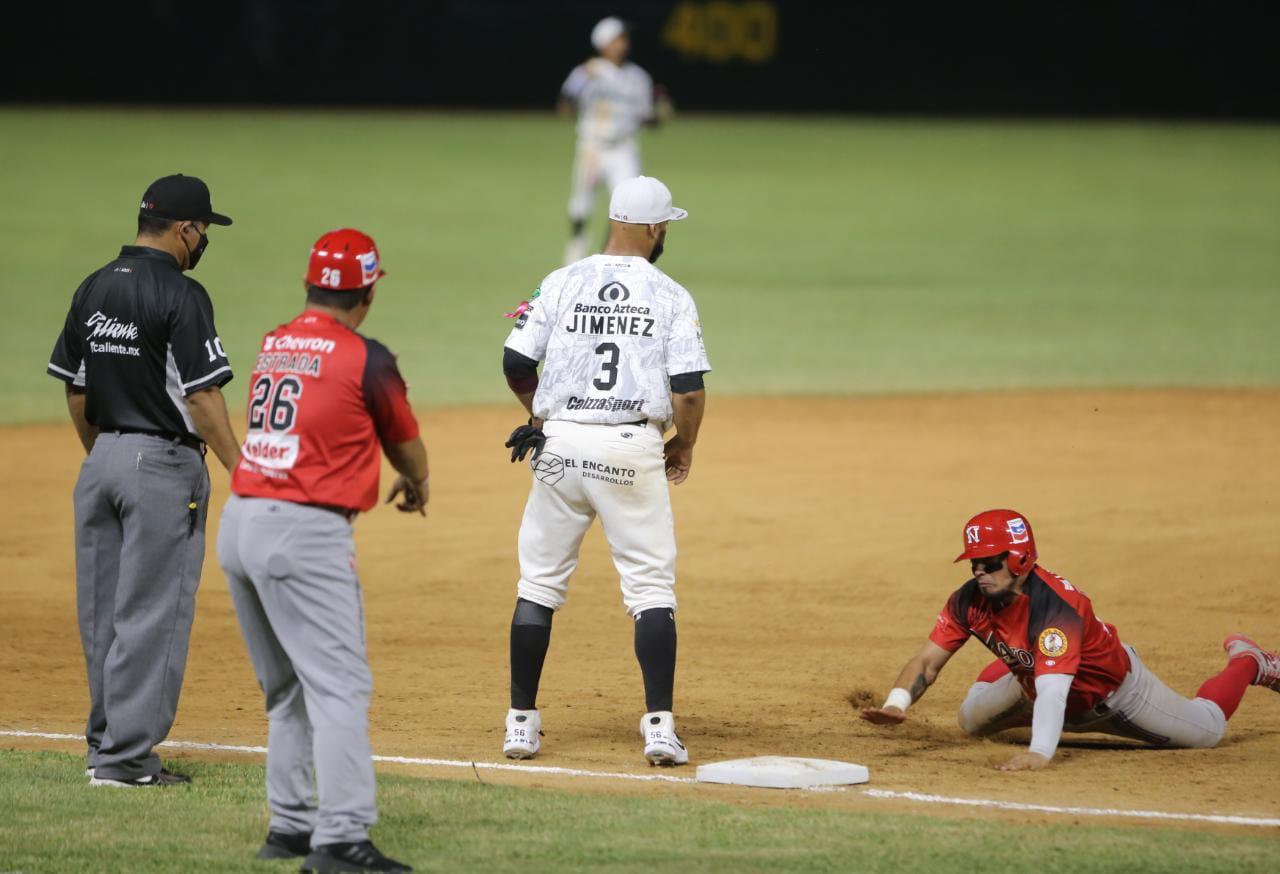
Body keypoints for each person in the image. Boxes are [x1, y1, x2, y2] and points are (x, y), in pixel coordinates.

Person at [217, 229, 426, 873]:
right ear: (364, 292)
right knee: (339, 688)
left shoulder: (277, 342)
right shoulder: (367, 356)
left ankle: (289, 826)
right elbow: (405, 443)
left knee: (286, 691)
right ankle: (340, 839)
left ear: (311, 286)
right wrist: (418, 482)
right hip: (302, 532)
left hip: (240, 522)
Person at [500, 175, 709, 766]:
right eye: (665, 224)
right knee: (649, 590)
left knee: (537, 586)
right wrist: (683, 444)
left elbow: (516, 360)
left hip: (560, 448)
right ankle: (660, 729)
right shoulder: (670, 294)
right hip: (628, 447)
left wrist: (541, 416)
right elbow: (688, 391)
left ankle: (520, 724)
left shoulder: (562, 279)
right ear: (652, 227)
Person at [47, 173, 240, 787]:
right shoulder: (182, 294)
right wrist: (244, 469)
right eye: (204, 229)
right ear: (185, 229)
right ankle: (127, 761)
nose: (204, 239)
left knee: (103, 614)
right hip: (160, 467)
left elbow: (76, 389)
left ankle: (105, 744)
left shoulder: (95, 285)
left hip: (99, 462)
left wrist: (105, 454)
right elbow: (203, 396)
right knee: (151, 613)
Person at [861, 509, 1280, 770]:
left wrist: (1040, 753)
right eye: (974, 563)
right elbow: (926, 662)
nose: (978, 572)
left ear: (1019, 559)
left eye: (989, 563)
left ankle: (1250, 662)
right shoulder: (969, 600)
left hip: (1116, 694)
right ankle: (1017, 669)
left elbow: (1055, 692)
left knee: (1208, 730)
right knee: (970, 722)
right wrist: (896, 705)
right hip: (1035, 682)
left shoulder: (1057, 608)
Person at [559, 16, 671, 266]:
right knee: (581, 205)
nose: (624, 43)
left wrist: (659, 114)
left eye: (624, 38)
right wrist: (580, 81)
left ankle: (605, 258)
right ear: (604, 43)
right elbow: (564, 107)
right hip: (592, 149)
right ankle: (575, 248)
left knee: (627, 202)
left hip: (623, 148)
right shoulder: (586, 72)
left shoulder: (638, 77)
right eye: (618, 38)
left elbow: (646, 118)